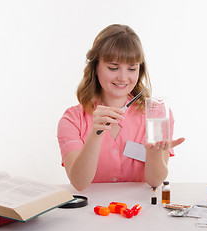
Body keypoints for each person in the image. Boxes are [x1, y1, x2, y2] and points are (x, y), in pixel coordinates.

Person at [57, 24, 185, 191]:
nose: (123, 77)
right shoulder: (72, 119)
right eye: (113, 68)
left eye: (132, 69)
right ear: (95, 67)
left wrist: (154, 154)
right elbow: (79, 183)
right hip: (92, 213)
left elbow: (155, 182)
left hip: (139, 212)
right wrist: (96, 134)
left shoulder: (156, 114)